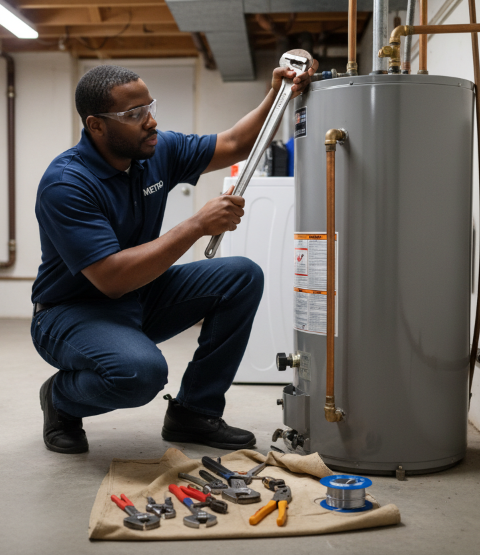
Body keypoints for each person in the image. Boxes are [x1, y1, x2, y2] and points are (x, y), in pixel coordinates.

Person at [31, 56, 317, 454]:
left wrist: (277, 94)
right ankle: (61, 399)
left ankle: (193, 412)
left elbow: (235, 143)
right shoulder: (67, 184)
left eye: (150, 107)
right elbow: (112, 279)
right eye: (134, 114)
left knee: (241, 276)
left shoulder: (156, 150)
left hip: (139, 294)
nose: (150, 121)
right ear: (96, 125)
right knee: (140, 373)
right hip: (70, 312)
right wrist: (197, 225)